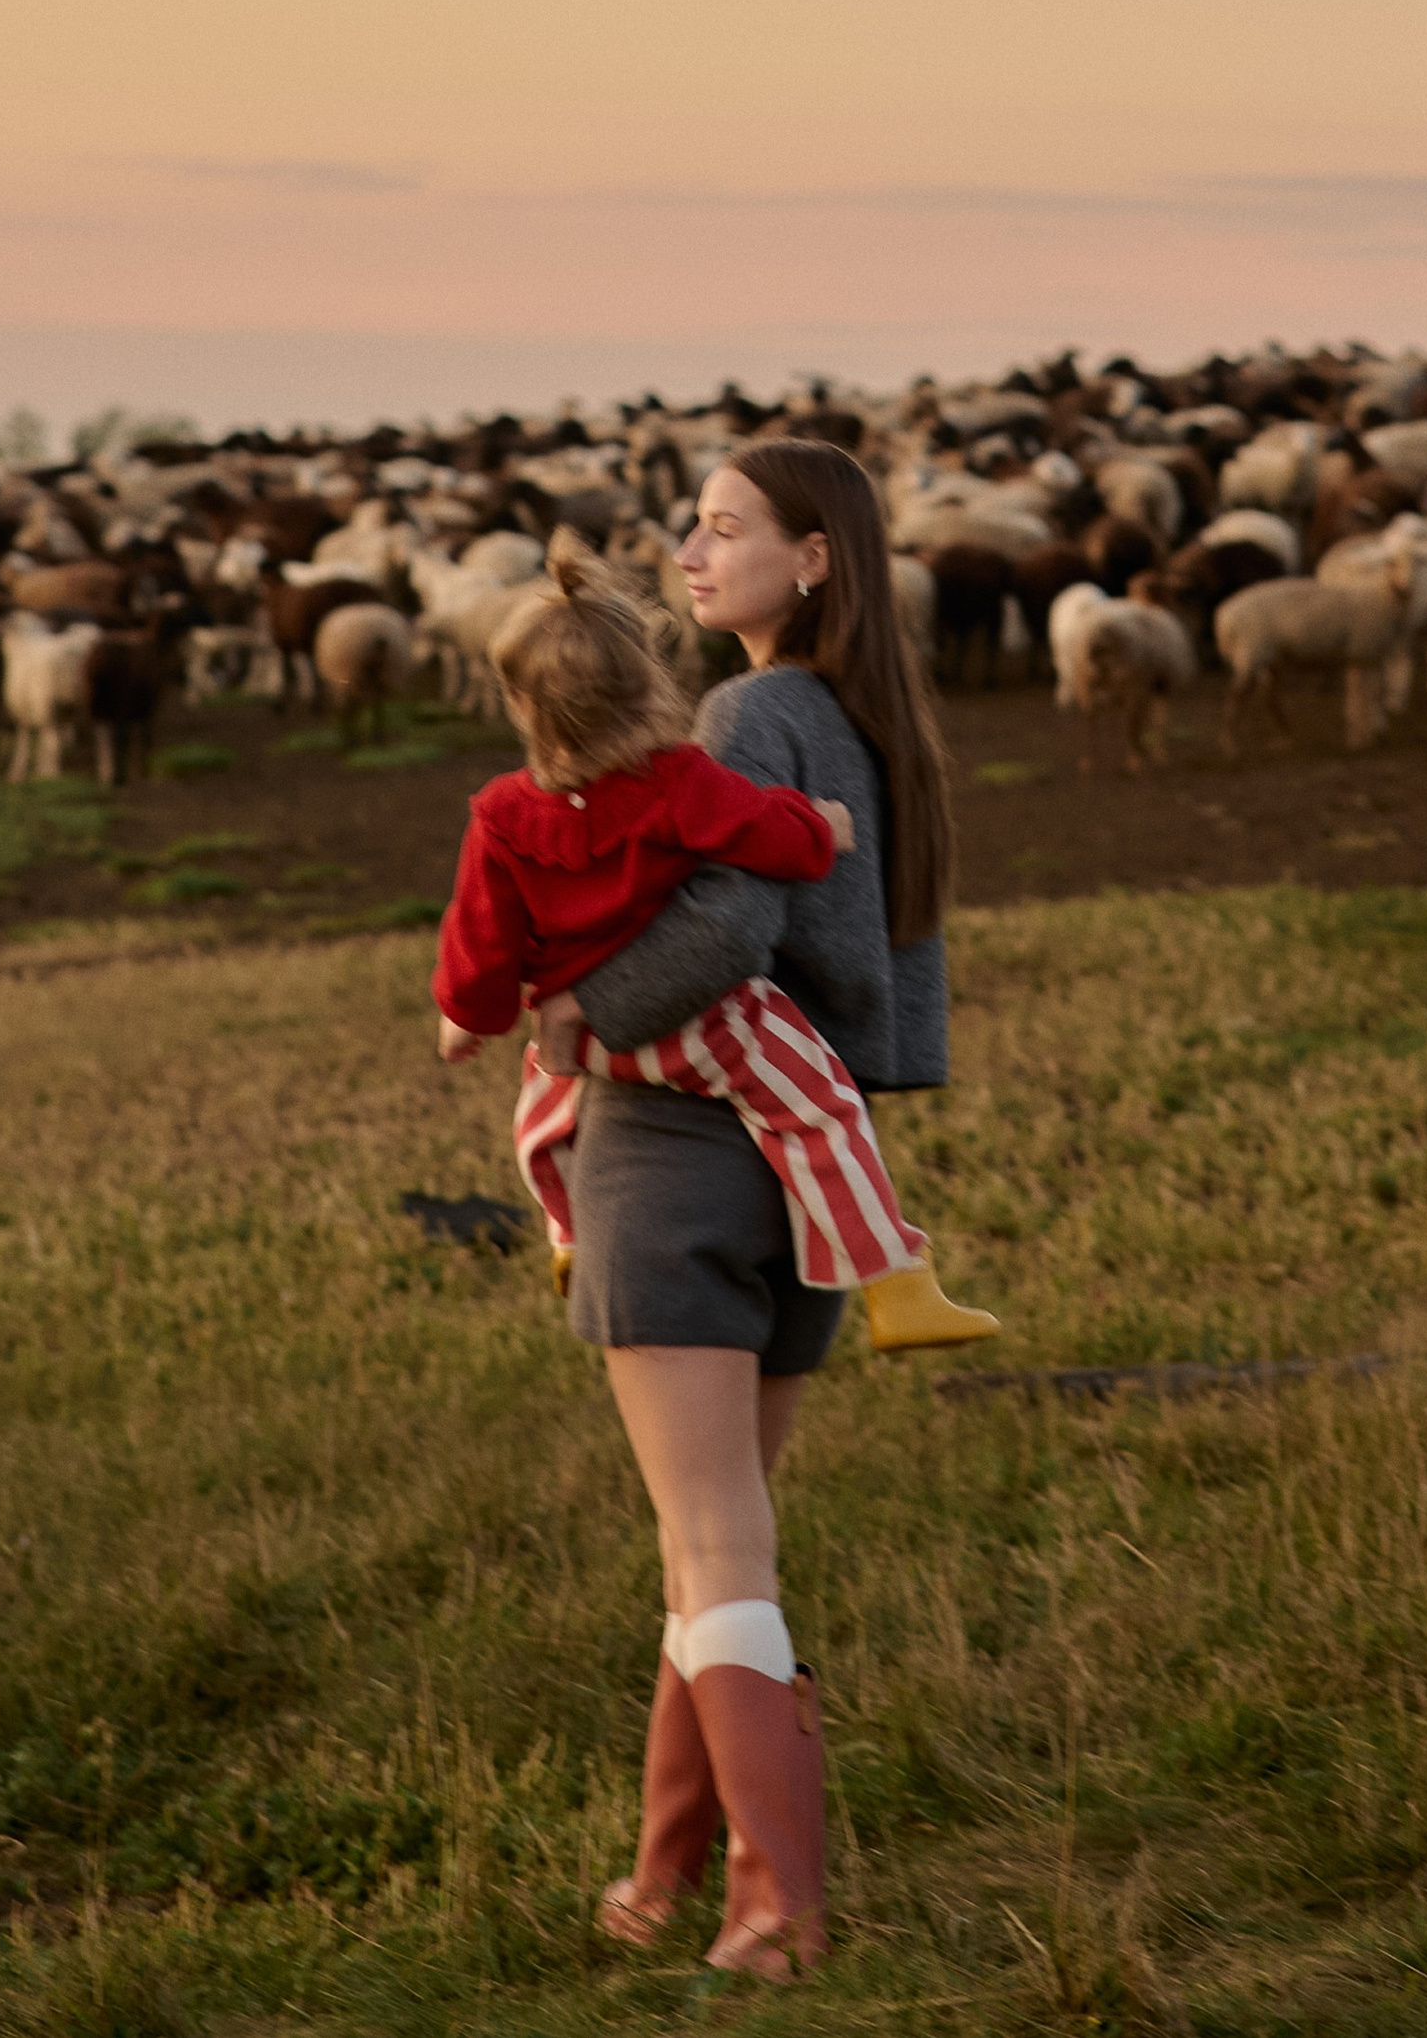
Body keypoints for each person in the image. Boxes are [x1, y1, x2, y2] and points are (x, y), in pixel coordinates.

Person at [534, 440, 982, 1979]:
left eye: (726, 527)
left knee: (716, 1538)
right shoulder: (872, 726)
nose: (692, 548)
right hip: (809, 1163)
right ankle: (664, 1875)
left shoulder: (742, 716)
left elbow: (727, 918)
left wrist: (578, 1006)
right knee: (717, 1536)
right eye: (695, 523)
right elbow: (877, 960)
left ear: (816, 558)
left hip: (681, 1150)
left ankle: (779, 1909)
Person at [430, 532, 996, 1349]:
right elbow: (764, 837)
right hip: (701, 1029)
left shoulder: (500, 815)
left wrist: (467, 1019)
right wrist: (823, 828)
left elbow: (479, 940)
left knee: (543, 1120)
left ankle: (569, 1236)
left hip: (578, 1042)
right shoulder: (680, 780)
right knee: (821, 1109)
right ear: (647, 687)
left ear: (519, 704)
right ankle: (894, 1280)